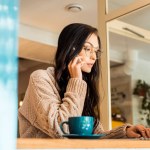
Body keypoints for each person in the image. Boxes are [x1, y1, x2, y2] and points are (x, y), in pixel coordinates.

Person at [18, 23, 150, 138]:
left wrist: (125, 132)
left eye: (96, 51)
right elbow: (61, 131)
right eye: (87, 49)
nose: (93, 57)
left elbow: (94, 136)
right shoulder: (40, 78)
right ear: (70, 49)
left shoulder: (80, 87)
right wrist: (76, 81)